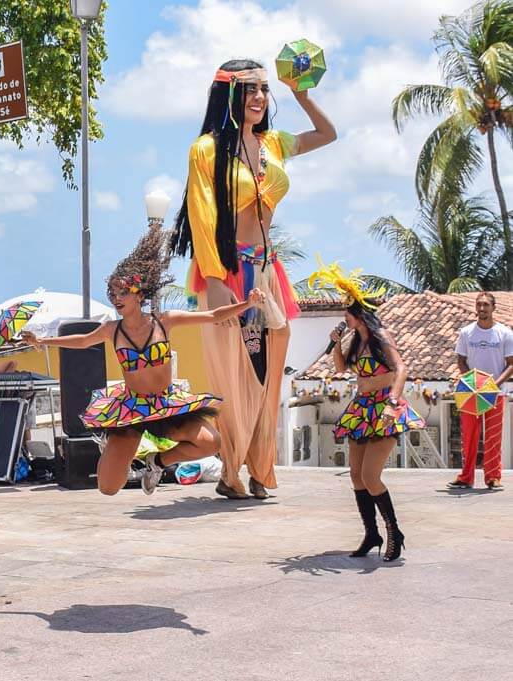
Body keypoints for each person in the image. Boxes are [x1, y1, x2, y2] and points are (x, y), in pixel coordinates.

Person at [171, 58, 336, 499]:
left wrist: (300, 93)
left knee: (268, 374)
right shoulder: (206, 149)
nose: (260, 97)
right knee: (237, 374)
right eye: (250, 90)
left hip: (268, 270)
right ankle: (231, 472)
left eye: (264, 89)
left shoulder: (273, 144)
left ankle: (261, 468)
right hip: (230, 271)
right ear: (230, 96)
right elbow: (201, 216)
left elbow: (327, 135)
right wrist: (215, 277)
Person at [24, 225, 263, 496]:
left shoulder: (166, 321)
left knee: (211, 442)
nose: (116, 299)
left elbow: (213, 316)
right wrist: (43, 341)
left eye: (122, 293)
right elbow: (81, 341)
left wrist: (246, 303)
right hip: (131, 409)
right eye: (112, 294)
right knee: (108, 487)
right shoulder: (111, 330)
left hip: (166, 404)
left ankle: (157, 462)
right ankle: (112, 445)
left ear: (139, 294)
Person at [312, 260, 425, 562]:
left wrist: (392, 402)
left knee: (371, 476)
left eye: (346, 313)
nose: (343, 319)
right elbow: (339, 369)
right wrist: (335, 343)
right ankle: (371, 533)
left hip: (383, 408)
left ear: (358, 313)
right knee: (356, 477)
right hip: (361, 409)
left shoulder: (380, 338)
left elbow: (401, 368)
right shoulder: (354, 342)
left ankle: (394, 532)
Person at [449, 292, 513, 491]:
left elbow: (511, 364)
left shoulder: (505, 333)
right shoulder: (467, 332)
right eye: (479, 305)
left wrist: (494, 385)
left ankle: (493, 477)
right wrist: (471, 382)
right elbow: (461, 360)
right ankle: (466, 477)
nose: (482, 308)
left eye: (486, 305)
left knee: (493, 437)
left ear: (493, 308)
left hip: (495, 393)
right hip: (470, 393)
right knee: (469, 435)